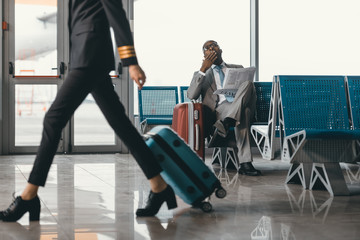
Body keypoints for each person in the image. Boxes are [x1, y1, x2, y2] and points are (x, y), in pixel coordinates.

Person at [0, 0, 176, 222]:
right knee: (121, 125)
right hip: (85, 57)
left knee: (53, 121)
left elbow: (117, 15)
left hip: (89, 57)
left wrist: (130, 61)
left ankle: (29, 195)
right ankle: (159, 186)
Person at [187, 40, 261, 176]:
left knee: (248, 84)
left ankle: (228, 122)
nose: (211, 48)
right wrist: (203, 69)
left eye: (214, 45)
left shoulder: (237, 67)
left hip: (238, 103)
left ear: (220, 50)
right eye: (207, 48)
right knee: (244, 113)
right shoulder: (202, 74)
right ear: (204, 55)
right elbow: (191, 95)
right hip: (220, 110)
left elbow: (249, 92)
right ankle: (245, 163)